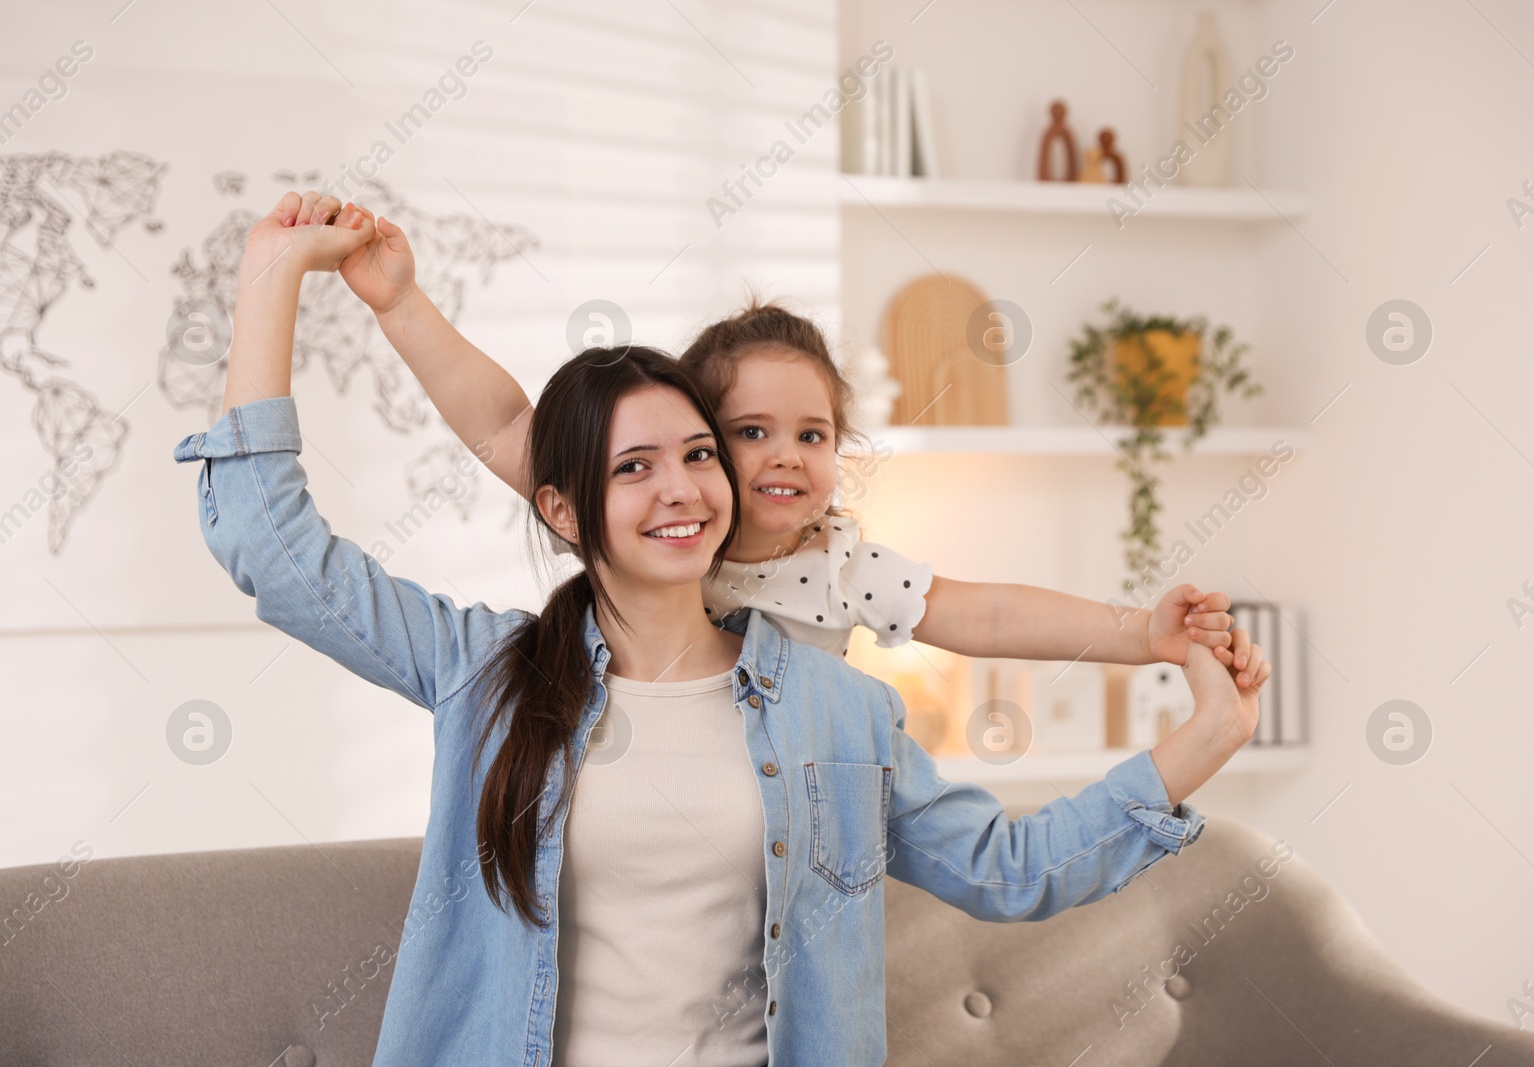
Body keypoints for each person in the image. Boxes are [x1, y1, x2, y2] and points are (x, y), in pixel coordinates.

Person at [174, 191, 1271, 1067]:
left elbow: (1008, 865)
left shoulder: (838, 709)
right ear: (561, 507)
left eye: (700, 452)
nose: (684, 487)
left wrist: (1201, 733)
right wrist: (278, 274)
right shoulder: (488, 675)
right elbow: (285, 552)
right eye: (635, 465)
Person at [328, 202, 1262, 685]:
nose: (785, 456)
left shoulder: (841, 563)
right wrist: (401, 302)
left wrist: (1143, 633)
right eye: (746, 434)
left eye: (812, 434)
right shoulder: (650, 525)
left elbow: (987, 616)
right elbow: (500, 422)